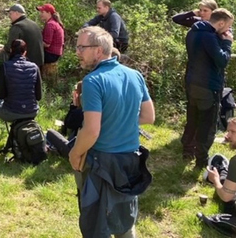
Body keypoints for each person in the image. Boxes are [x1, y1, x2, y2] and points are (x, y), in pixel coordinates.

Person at [69, 26, 155, 238]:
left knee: (96, 224)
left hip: (102, 162)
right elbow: (148, 116)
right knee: (124, 219)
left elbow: (91, 131)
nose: (77, 52)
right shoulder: (134, 75)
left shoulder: (93, 81)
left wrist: (75, 153)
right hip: (130, 161)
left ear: (98, 50)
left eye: (82, 47)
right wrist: (120, 121)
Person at [181, 9, 235, 168]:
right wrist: (227, 43)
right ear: (221, 23)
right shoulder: (210, 37)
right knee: (207, 124)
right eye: (227, 26)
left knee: (192, 118)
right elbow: (222, 60)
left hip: (192, 83)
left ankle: (187, 150)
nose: (228, 30)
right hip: (208, 86)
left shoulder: (193, 31)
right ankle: (202, 161)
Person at [0, 39, 41, 145]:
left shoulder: (5, 66)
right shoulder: (34, 67)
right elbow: (38, 97)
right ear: (25, 52)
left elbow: (1, 95)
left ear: (10, 50)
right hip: (32, 111)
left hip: (11, 113)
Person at [45, 81, 83, 158]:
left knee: (49, 133)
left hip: (73, 152)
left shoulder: (80, 113)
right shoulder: (95, 111)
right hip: (86, 150)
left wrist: (74, 106)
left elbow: (67, 124)